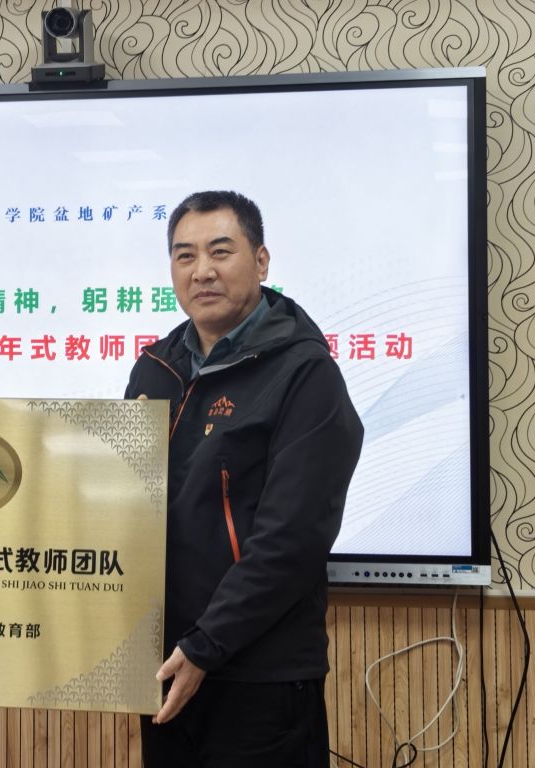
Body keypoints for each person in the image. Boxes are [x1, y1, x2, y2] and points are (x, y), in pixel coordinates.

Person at [125, 190, 365, 766]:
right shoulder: (154, 369)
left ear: (261, 261)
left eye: (220, 251)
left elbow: (292, 539)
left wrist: (206, 645)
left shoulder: (304, 373)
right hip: (165, 666)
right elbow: (126, 510)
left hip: (259, 675)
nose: (202, 271)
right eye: (184, 255)